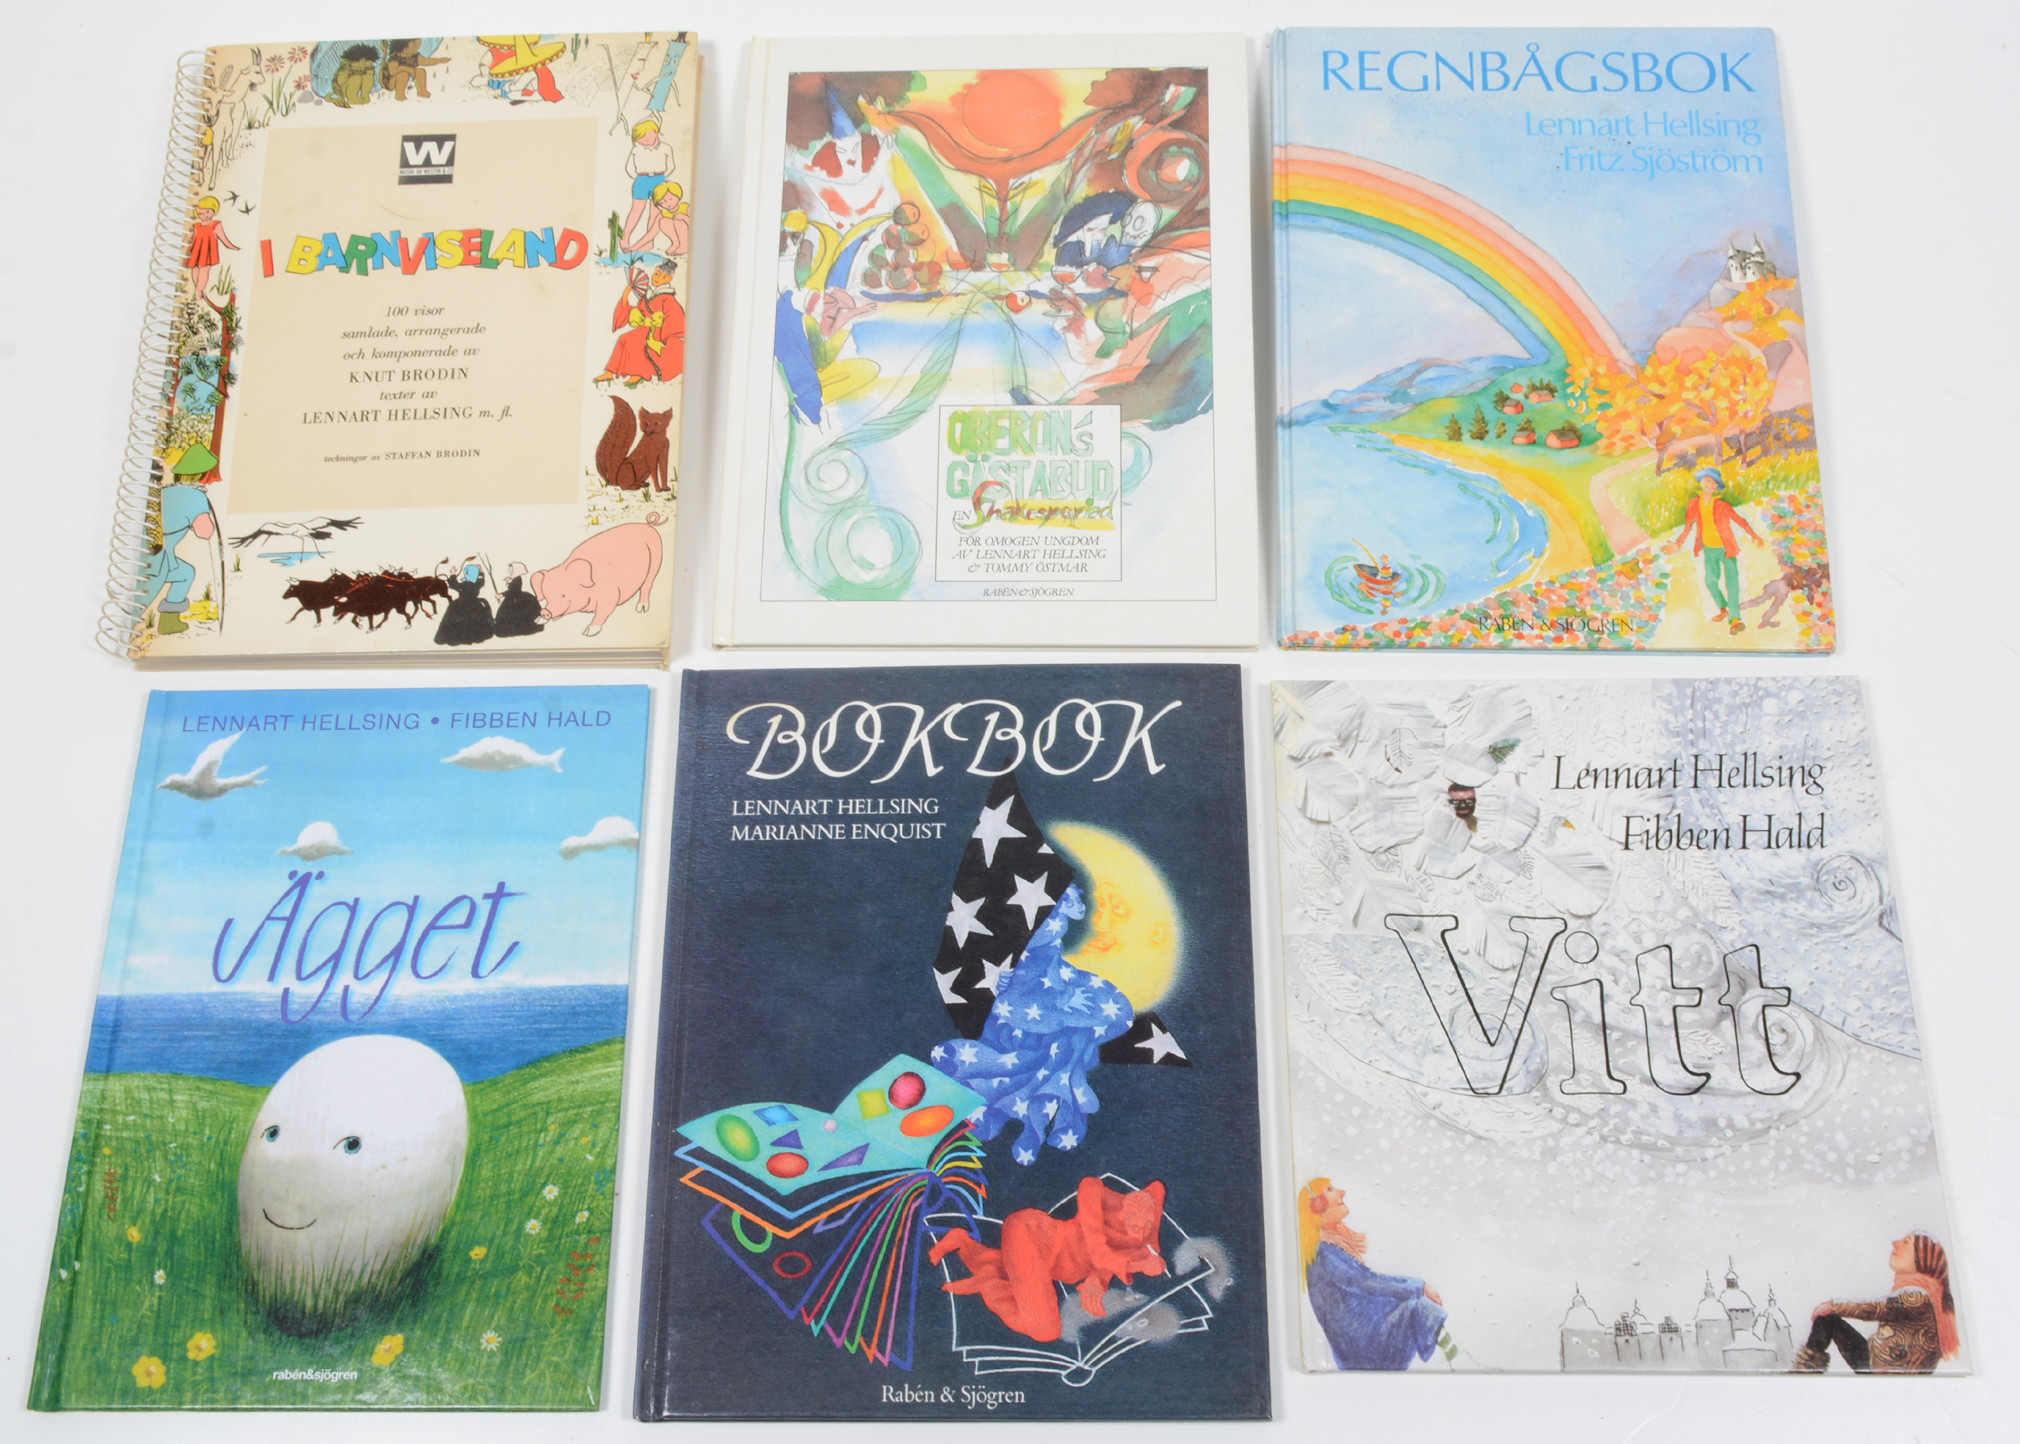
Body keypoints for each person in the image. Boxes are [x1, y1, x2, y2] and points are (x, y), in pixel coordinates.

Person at [1298, 1178, 1449, 1370]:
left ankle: (1454, 1358)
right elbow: (1367, 1282)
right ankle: (1456, 1358)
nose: (1342, 1192)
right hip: (1361, 1347)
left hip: (1361, 1339)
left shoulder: (1327, 1250)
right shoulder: (1324, 1254)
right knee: (1421, 1309)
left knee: (1420, 1309)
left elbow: (1366, 1284)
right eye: (1329, 1189)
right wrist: (1420, 1286)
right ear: (1316, 1206)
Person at [1795, 1233, 1959, 1373]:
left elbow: (1877, 1308)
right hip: (1881, 1362)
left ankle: (1805, 1371)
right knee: (1829, 1321)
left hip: (1885, 1370)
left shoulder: (1917, 1297)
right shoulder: (1923, 1293)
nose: (1896, 1243)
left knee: (1827, 1320)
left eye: (1906, 1243)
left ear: (1922, 1258)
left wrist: (1833, 1306)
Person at [1666, 467, 1763, 635]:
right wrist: (1678, 543)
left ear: (1717, 486)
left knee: (1732, 584)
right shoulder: (1693, 504)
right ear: (1701, 483)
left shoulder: (1723, 505)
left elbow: (1740, 520)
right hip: (1709, 549)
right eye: (1707, 481)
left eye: (1713, 483)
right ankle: (1723, 608)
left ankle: (1735, 620)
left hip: (1727, 549)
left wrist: (1754, 535)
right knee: (1711, 581)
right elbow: (1688, 526)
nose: (1709, 485)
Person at [595, 263, 685, 385]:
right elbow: (639, 310)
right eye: (657, 274)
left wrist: (665, 334)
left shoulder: (668, 298)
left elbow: (674, 316)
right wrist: (626, 294)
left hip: (657, 331)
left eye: (663, 277)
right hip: (645, 327)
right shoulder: (647, 294)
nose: (658, 278)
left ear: (669, 279)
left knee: (637, 341)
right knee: (624, 338)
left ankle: (640, 374)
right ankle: (610, 372)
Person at [622, 119, 675, 248]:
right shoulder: (636, 149)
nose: (643, 141)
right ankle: (625, 238)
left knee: (655, 212)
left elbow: (671, 166)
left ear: (655, 132)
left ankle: (648, 242)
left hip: (659, 180)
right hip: (642, 179)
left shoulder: (666, 148)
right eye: (640, 139)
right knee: (637, 209)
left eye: (645, 137)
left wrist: (662, 178)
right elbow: (629, 167)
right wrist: (638, 177)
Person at [185, 196, 240, 298]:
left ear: (214, 210)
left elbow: (223, 239)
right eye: (201, 213)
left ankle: (199, 292)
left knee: (204, 271)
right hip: (196, 251)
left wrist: (233, 247)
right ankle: (198, 291)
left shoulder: (216, 224)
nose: (204, 215)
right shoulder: (196, 226)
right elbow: (188, 238)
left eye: (207, 212)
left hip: (207, 252)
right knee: (195, 270)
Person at [433, 559, 495, 646]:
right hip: (474, 605)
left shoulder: (466, 584)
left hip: (461, 605)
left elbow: (453, 585)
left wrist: (453, 574)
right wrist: (481, 572)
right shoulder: (477, 583)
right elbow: (481, 580)